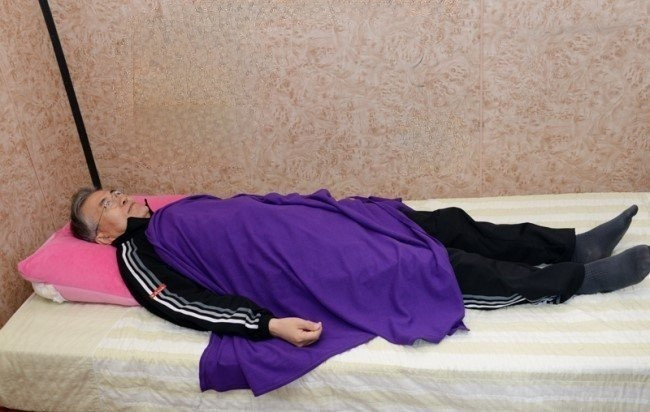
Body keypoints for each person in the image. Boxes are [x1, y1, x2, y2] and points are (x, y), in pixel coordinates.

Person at [70, 187, 650, 349]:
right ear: (100, 233)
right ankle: (580, 280)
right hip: (314, 267)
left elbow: (249, 211)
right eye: (106, 204)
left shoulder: (172, 209)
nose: (118, 197)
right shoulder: (136, 254)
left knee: (447, 222)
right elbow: (186, 304)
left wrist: (323, 207)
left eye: (114, 190)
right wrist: (266, 324)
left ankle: (572, 246)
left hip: (330, 224)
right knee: (437, 267)